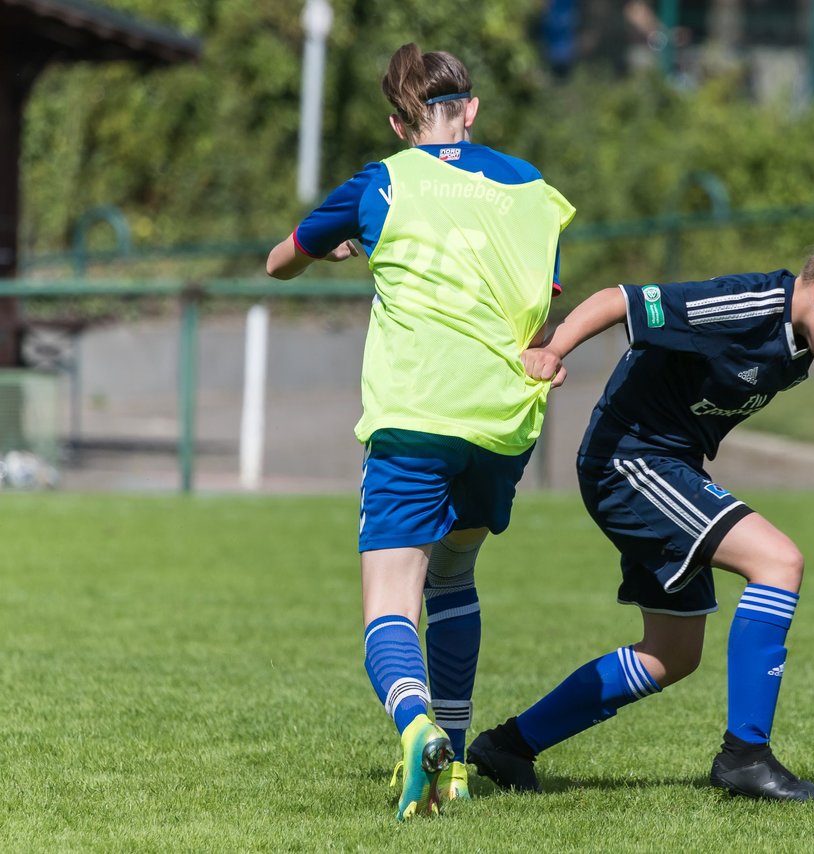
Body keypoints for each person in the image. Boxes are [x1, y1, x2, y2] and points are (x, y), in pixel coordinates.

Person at [466, 199, 814, 802]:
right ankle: (746, 755)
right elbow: (620, 298)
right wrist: (553, 348)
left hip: (665, 464)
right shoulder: (745, 306)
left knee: (671, 655)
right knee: (779, 561)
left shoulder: (802, 340)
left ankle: (508, 746)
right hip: (631, 462)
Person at [265, 45, 575, 819]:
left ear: (399, 122)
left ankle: (416, 727)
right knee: (456, 577)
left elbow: (281, 262)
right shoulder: (538, 193)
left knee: (390, 606)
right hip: (503, 424)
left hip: (416, 415)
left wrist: (341, 244)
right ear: (470, 110)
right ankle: (460, 763)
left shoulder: (384, 180)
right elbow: (537, 306)